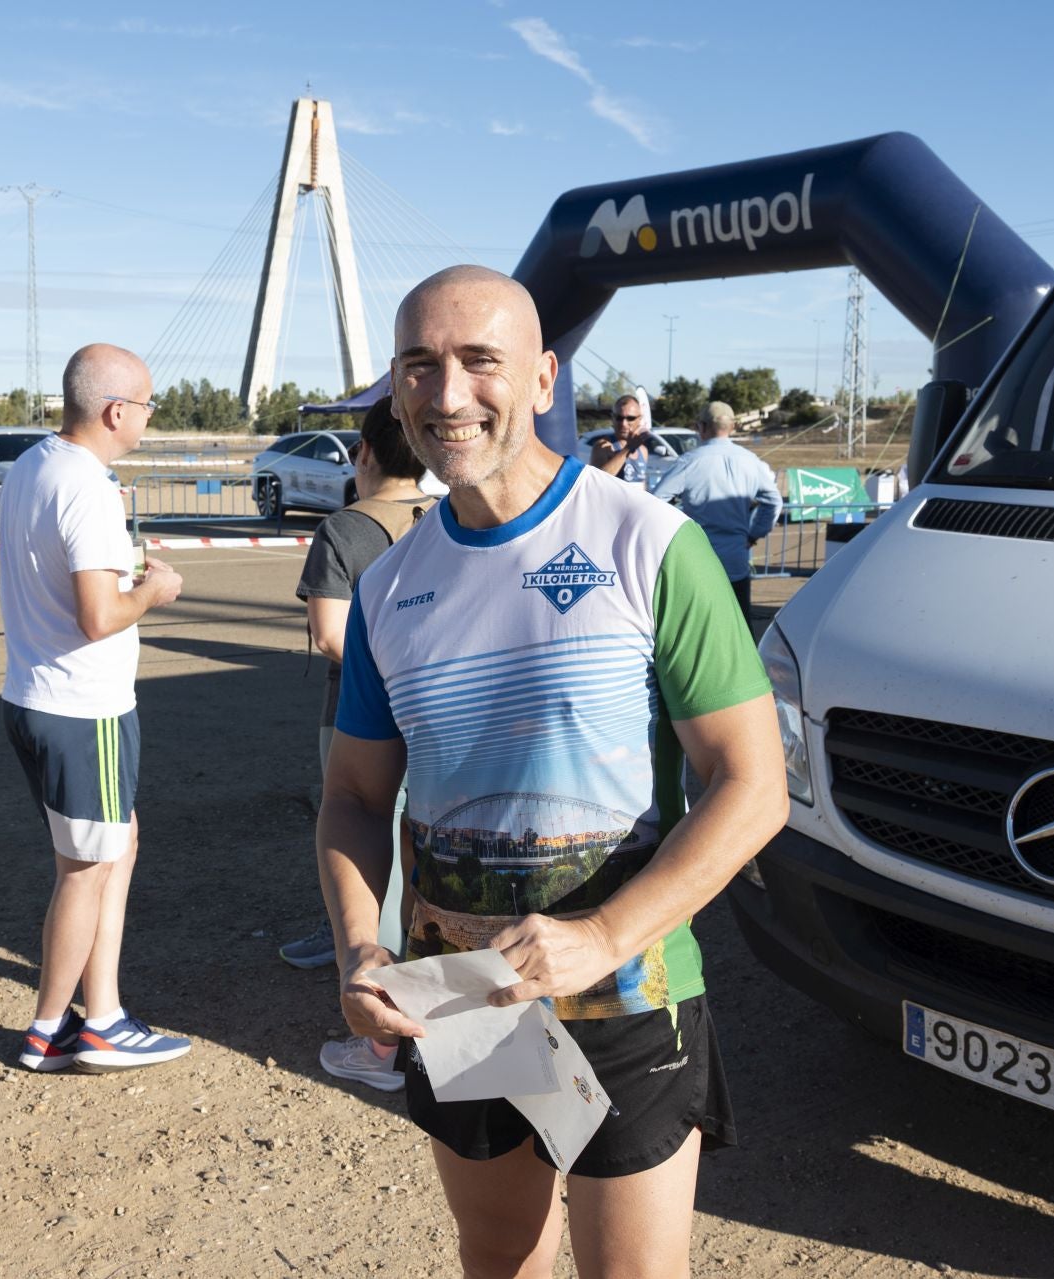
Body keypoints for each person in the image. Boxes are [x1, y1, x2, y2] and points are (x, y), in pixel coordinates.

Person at [317, 266, 788, 1279]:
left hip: (626, 992)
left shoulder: (647, 542)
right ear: (396, 389)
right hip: (458, 991)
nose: (446, 395)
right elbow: (355, 797)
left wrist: (604, 935)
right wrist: (360, 945)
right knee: (498, 1252)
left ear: (541, 378)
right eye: (419, 366)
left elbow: (754, 783)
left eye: (478, 361)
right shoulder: (389, 584)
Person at [0, 343, 193, 1074]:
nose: (148, 418)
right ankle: (54, 1028)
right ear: (116, 411)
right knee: (85, 869)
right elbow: (98, 616)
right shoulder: (89, 486)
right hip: (85, 711)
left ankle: (104, 1009)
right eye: (147, 406)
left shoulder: (33, 465)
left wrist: (122, 579)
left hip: (37, 696)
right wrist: (155, 589)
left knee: (117, 843)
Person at [277, 397, 437, 1093]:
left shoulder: (344, 529)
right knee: (418, 862)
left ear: (364, 454)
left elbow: (329, 634)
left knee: (366, 862)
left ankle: (377, 1042)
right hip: (434, 715)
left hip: (358, 717)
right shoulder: (445, 519)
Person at [650, 400, 782, 619]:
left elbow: (656, 502)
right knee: (740, 628)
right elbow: (774, 501)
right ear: (732, 427)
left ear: (702, 426)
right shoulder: (750, 461)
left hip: (698, 560)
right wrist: (754, 533)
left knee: (700, 629)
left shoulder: (690, 461)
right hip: (736, 560)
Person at [587, 393, 651, 483]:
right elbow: (597, 482)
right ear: (612, 418)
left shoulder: (643, 450)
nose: (623, 424)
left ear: (639, 419)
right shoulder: (603, 447)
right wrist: (627, 449)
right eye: (619, 418)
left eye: (630, 418)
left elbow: (642, 484)